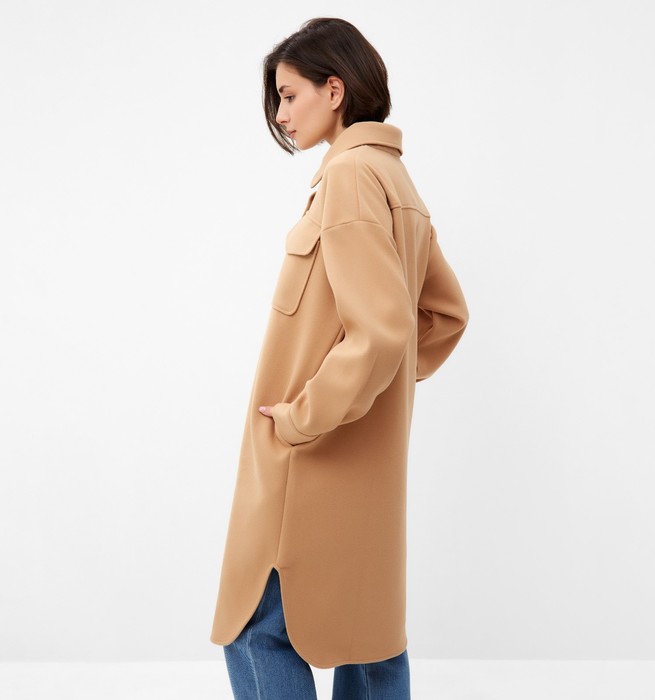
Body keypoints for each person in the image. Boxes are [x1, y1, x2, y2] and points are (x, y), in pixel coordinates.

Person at [210, 17, 469, 700]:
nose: (280, 114)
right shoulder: (394, 177)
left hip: (311, 461)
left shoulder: (351, 177)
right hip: (365, 465)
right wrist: (377, 392)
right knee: (369, 641)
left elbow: (383, 332)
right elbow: (443, 316)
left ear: (334, 89)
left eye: (288, 95)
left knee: (253, 628)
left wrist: (307, 414)